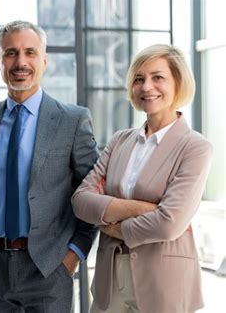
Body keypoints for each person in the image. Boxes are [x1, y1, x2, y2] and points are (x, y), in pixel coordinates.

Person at [0, 20, 99, 312]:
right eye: (11, 53)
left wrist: (73, 254)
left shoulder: (72, 120)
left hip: (50, 269)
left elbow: (91, 194)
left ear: (44, 60)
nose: (21, 62)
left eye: (30, 52)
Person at [72, 44, 213, 313]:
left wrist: (116, 226)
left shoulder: (195, 147)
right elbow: (81, 201)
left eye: (158, 77)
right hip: (109, 278)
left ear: (178, 82)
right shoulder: (120, 140)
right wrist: (143, 210)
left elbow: (169, 224)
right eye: (139, 78)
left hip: (164, 280)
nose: (147, 86)